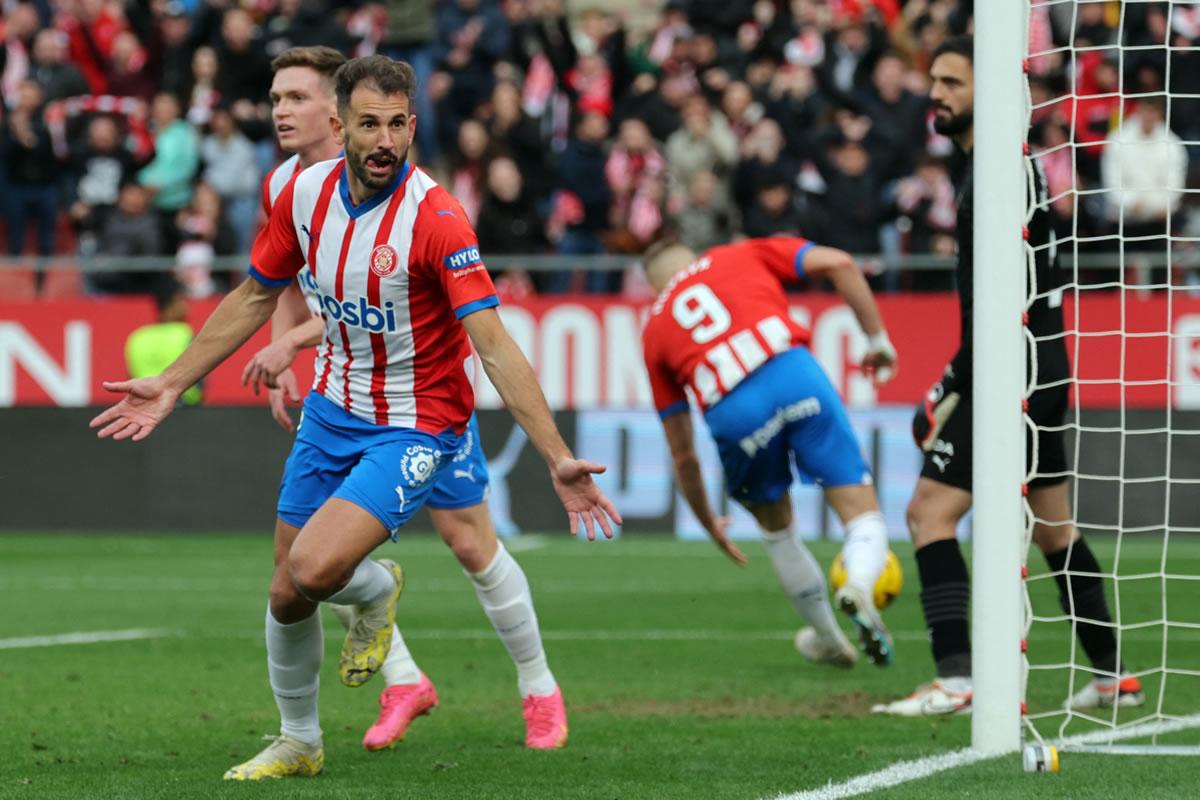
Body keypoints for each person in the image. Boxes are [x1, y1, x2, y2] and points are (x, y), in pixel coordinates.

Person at [90, 55, 621, 780]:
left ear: (410, 127)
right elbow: (254, 294)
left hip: (417, 422)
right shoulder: (303, 192)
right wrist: (172, 381)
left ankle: (484, 655)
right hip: (334, 408)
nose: (384, 139)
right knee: (286, 588)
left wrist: (556, 453)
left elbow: (492, 343)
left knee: (336, 563)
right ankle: (300, 741)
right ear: (343, 125)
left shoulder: (435, 218)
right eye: (369, 123)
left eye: (397, 124)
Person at [251, 46, 573, 753]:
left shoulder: (418, 205)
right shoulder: (288, 188)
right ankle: (401, 679)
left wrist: (293, 342)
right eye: (276, 98)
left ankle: (538, 686)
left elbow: (390, 298)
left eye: (296, 98)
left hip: (424, 404)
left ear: (336, 120)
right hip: (343, 400)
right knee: (311, 561)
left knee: (468, 543)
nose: (282, 111)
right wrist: (286, 356)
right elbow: (285, 280)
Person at [874, 36, 1143, 717]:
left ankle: (959, 679)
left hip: (1013, 368)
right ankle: (1113, 672)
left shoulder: (993, 175)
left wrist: (949, 384)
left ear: (987, 95)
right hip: (1042, 363)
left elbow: (996, 305)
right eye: (933, 79)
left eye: (951, 82)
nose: (935, 92)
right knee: (1053, 528)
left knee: (929, 512)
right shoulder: (1006, 169)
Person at [640, 237, 898, 669]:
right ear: (696, 258)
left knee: (778, 530)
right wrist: (878, 340)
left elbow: (682, 453)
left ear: (654, 287)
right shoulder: (738, 254)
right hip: (790, 370)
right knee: (862, 516)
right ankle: (857, 583)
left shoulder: (655, 328)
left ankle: (829, 639)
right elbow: (840, 259)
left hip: (733, 408)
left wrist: (708, 522)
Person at [125, 278, 201, 405]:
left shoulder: (137, 338)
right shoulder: (185, 333)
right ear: (173, 302)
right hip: (184, 407)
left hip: (144, 407)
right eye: (183, 300)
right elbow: (200, 382)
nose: (186, 307)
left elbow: (130, 378)